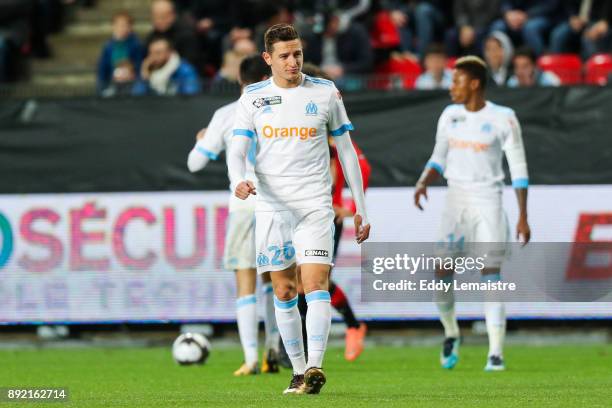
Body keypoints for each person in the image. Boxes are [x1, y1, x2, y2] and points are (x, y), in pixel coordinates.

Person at [228, 23, 370, 395]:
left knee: (314, 284)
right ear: (268, 59)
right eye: (285, 56)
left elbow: (347, 151)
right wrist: (237, 179)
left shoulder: (325, 93)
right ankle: (296, 371)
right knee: (285, 291)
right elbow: (237, 148)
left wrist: (361, 207)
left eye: (298, 54)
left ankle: (314, 367)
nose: (293, 62)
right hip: (273, 209)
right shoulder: (253, 97)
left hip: (314, 206)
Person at [414, 56, 531, 371]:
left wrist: (522, 215)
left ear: (475, 83)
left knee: (490, 273)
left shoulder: (504, 118)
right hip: (456, 201)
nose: (451, 87)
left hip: (488, 201)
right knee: (441, 271)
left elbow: (518, 169)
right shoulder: (449, 115)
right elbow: (439, 156)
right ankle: (452, 332)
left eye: (457, 81)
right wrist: (423, 181)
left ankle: (496, 352)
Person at [187, 55, 279, 376]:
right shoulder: (281, 111)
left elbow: (194, 164)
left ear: (241, 81)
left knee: (245, 279)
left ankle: (251, 358)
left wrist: (203, 142)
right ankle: (273, 350)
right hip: (277, 203)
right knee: (275, 279)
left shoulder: (226, 115)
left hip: (244, 205)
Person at [132, 36, 201, 96]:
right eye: (151, 53)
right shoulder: (148, 69)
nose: (153, 57)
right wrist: (144, 77)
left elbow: (191, 96)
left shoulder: (184, 70)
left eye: (158, 53)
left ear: (170, 53)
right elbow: (137, 97)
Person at [97, 11, 144, 96]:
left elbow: (139, 64)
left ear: (131, 27)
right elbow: (102, 68)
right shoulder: (108, 46)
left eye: (125, 25)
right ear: (113, 27)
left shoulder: (136, 45)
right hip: (113, 81)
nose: (122, 29)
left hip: (132, 81)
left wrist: (132, 73)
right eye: (119, 25)